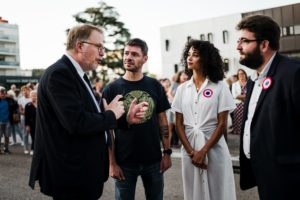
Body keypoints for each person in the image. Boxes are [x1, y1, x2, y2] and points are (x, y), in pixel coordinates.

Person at [28, 24, 148, 200]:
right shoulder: (59, 74)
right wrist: (111, 115)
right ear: (80, 46)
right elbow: (76, 122)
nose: (103, 53)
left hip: (81, 174)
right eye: (99, 47)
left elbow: (94, 117)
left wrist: (125, 119)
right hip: (71, 176)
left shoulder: (77, 74)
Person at [236, 15, 300, 200]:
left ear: (264, 45)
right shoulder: (253, 79)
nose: (238, 46)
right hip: (265, 174)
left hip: (290, 179)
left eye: (244, 41)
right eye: (238, 41)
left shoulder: (293, 73)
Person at [102, 38, 172, 200]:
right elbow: (108, 129)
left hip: (153, 160)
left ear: (144, 59)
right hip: (124, 162)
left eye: (134, 54)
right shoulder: (112, 89)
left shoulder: (154, 85)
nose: (128, 57)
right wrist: (112, 163)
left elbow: (162, 121)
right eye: (126, 53)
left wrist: (167, 153)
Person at [172, 39, 236, 200]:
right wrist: (191, 152)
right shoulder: (182, 89)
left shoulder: (220, 86)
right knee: (194, 192)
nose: (189, 57)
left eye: (195, 54)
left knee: (219, 191)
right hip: (190, 149)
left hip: (214, 147)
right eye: (188, 54)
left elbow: (222, 124)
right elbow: (178, 123)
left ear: (206, 59)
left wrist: (204, 151)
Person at [231, 68, 248, 135]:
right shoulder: (234, 84)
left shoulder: (249, 83)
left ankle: (246, 131)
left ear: (245, 74)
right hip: (238, 104)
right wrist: (245, 96)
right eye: (239, 74)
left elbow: (251, 94)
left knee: (246, 118)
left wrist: (242, 96)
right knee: (238, 119)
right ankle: (238, 131)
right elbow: (235, 95)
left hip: (247, 104)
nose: (241, 75)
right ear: (237, 75)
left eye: (242, 73)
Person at [24, 90, 37, 156]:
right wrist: (27, 125)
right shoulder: (28, 105)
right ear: (30, 97)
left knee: (37, 137)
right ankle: (32, 149)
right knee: (33, 137)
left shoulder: (40, 104)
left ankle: (35, 149)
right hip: (31, 124)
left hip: (39, 124)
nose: (33, 97)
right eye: (32, 96)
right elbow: (26, 116)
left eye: (35, 96)